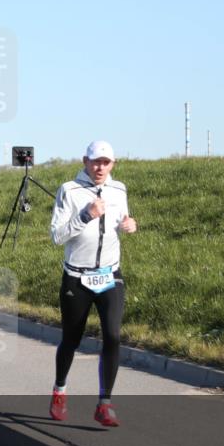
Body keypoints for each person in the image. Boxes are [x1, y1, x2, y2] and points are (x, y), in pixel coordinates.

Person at [48, 141, 137, 427]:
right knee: (71, 339)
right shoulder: (69, 190)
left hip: (110, 274)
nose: (100, 168)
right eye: (95, 162)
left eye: (106, 162)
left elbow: (121, 222)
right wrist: (85, 215)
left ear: (113, 164)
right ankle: (60, 389)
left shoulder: (119, 189)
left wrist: (129, 226)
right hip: (77, 276)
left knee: (112, 335)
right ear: (85, 161)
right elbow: (57, 236)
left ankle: (105, 404)